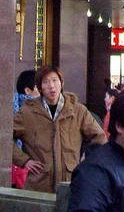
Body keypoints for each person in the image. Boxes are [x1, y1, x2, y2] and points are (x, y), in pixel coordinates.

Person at [12, 64, 107, 193]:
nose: (51, 86)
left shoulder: (78, 110)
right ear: (40, 88)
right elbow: (4, 138)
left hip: (71, 184)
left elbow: (100, 138)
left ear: (61, 83)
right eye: (46, 82)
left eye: (55, 80)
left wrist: (86, 162)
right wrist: (24, 160)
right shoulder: (27, 113)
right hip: (37, 185)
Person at [12, 70, 40, 188]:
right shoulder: (28, 111)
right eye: (38, 88)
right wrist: (24, 160)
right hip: (22, 170)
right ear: (27, 90)